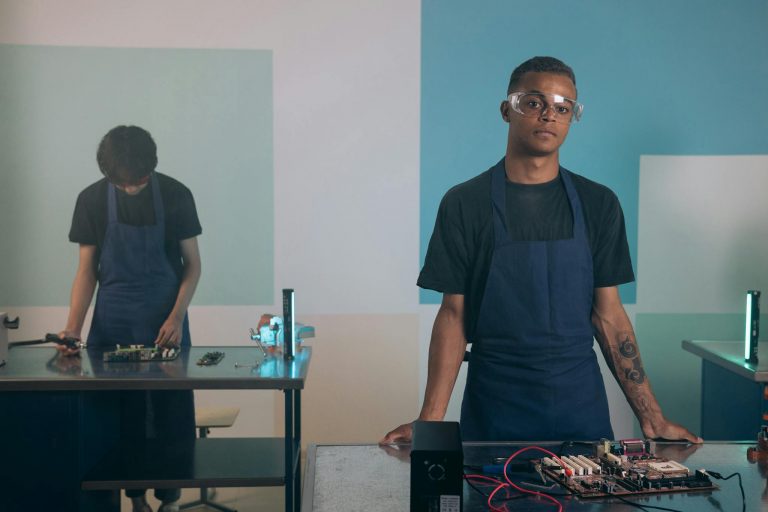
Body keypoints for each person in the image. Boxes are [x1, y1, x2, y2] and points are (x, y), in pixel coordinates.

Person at [381, 57, 702, 444]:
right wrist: (430, 421)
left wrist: (652, 418)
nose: (549, 115)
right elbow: (453, 316)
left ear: (570, 118)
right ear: (507, 110)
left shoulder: (598, 203)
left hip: (580, 413)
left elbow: (610, 317)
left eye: (563, 108)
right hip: (494, 412)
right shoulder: (465, 203)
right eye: (534, 103)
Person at [58, 125, 202, 512]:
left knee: (170, 415)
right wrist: (72, 329)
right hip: (113, 322)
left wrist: (176, 316)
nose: (131, 190)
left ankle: (170, 499)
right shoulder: (90, 200)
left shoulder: (175, 194)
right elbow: (86, 271)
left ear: (150, 169)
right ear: (109, 177)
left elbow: (193, 266)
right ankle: (135, 499)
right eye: (123, 185)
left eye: (138, 182)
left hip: (165, 322)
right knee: (123, 415)